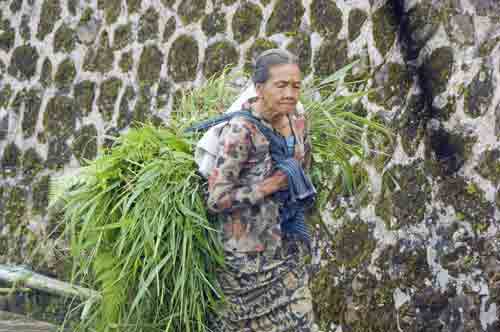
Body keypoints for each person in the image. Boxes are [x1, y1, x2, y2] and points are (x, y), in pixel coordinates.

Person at [206, 49, 316, 331]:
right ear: (258, 88)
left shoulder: (298, 122)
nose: (290, 93)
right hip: (246, 266)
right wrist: (270, 185)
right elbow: (217, 199)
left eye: (295, 86)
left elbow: (305, 169)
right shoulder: (241, 131)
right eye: (281, 85)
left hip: (286, 253)